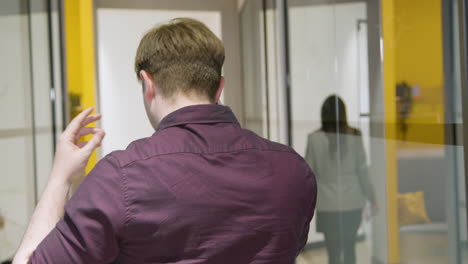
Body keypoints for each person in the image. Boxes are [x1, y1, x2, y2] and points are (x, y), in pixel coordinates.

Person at [13, 18, 317, 264]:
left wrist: (60, 176)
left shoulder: (119, 178)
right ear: (219, 86)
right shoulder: (293, 170)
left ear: (148, 83)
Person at [305, 95, 377, 264]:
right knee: (350, 248)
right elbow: (362, 171)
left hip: (327, 204)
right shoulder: (355, 135)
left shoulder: (314, 138)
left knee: (333, 252)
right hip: (352, 201)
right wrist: (372, 197)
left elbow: (308, 173)